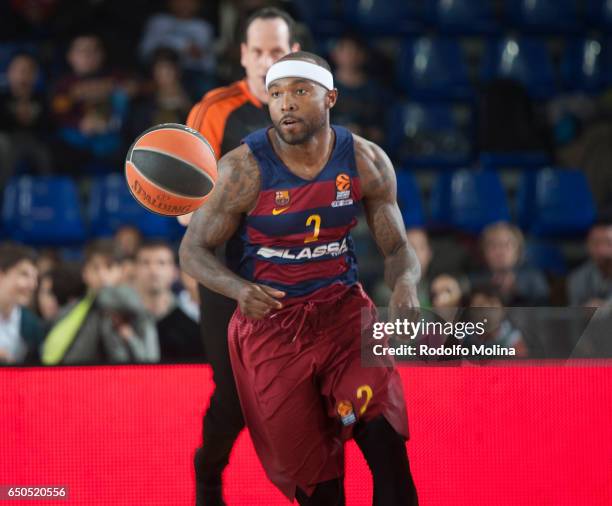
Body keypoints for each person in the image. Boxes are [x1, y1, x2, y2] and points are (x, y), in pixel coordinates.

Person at [180, 51, 420, 506]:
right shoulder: (242, 169)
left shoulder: (366, 161)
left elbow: (399, 248)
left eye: (299, 92)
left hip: (344, 317)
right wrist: (238, 289)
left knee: (387, 446)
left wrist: (406, 283)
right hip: (272, 330)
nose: (285, 103)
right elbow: (192, 251)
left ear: (330, 98)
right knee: (320, 488)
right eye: (275, 94)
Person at [178, 8, 299, 505]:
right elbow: (186, 212)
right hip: (226, 277)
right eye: (259, 51)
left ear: (292, 53)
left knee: (298, 396)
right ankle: (209, 473)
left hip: (297, 275)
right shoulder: (216, 109)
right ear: (244, 54)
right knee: (233, 395)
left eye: (278, 50)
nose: (269, 59)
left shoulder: (309, 112)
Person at [41, 239, 159, 365]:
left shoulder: (135, 306)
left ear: (121, 271)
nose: (102, 274)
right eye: (96, 268)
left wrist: (130, 338)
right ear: (85, 273)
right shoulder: (69, 311)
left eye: (109, 267)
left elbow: (151, 357)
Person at [132, 240, 203, 361]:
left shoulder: (191, 327)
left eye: (161, 263)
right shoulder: (119, 320)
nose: (153, 270)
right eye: (145, 263)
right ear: (134, 270)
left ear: (175, 272)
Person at [470, 221, 549, 306]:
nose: (500, 251)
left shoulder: (533, 276)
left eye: (507, 244)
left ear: (518, 251)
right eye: (492, 245)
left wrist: (518, 289)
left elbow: (544, 305)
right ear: (483, 251)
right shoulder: (475, 278)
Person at [0, 242, 43, 364]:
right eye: (24, 274)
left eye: (35, 278)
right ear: (1, 275)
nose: (33, 285)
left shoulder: (33, 325)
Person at [568, 219, 612, 306]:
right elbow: (575, 314)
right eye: (596, 244)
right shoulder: (577, 278)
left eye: (608, 243)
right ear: (588, 246)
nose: (602, 250)